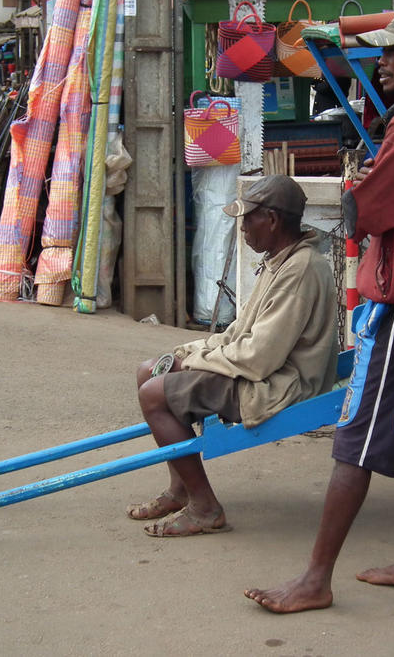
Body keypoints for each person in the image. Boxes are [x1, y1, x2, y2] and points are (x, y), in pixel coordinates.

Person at [245, 7, 394, 613]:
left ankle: (315, 579)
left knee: (357, 435)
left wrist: (357, 188)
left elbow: (367, 211)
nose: (382, 61)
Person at [129, 174, 338, 537]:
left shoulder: (301, 269)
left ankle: (205, 508)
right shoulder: (280, 259)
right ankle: (181, 490)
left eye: (247, 218)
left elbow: (258, 358)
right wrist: (187, 352)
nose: (242, 228)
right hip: (267, 371)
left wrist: (191, 362)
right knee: (148, 372)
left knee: (154, 393)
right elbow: (239, 332)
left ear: (271, 220)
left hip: (281, 384)